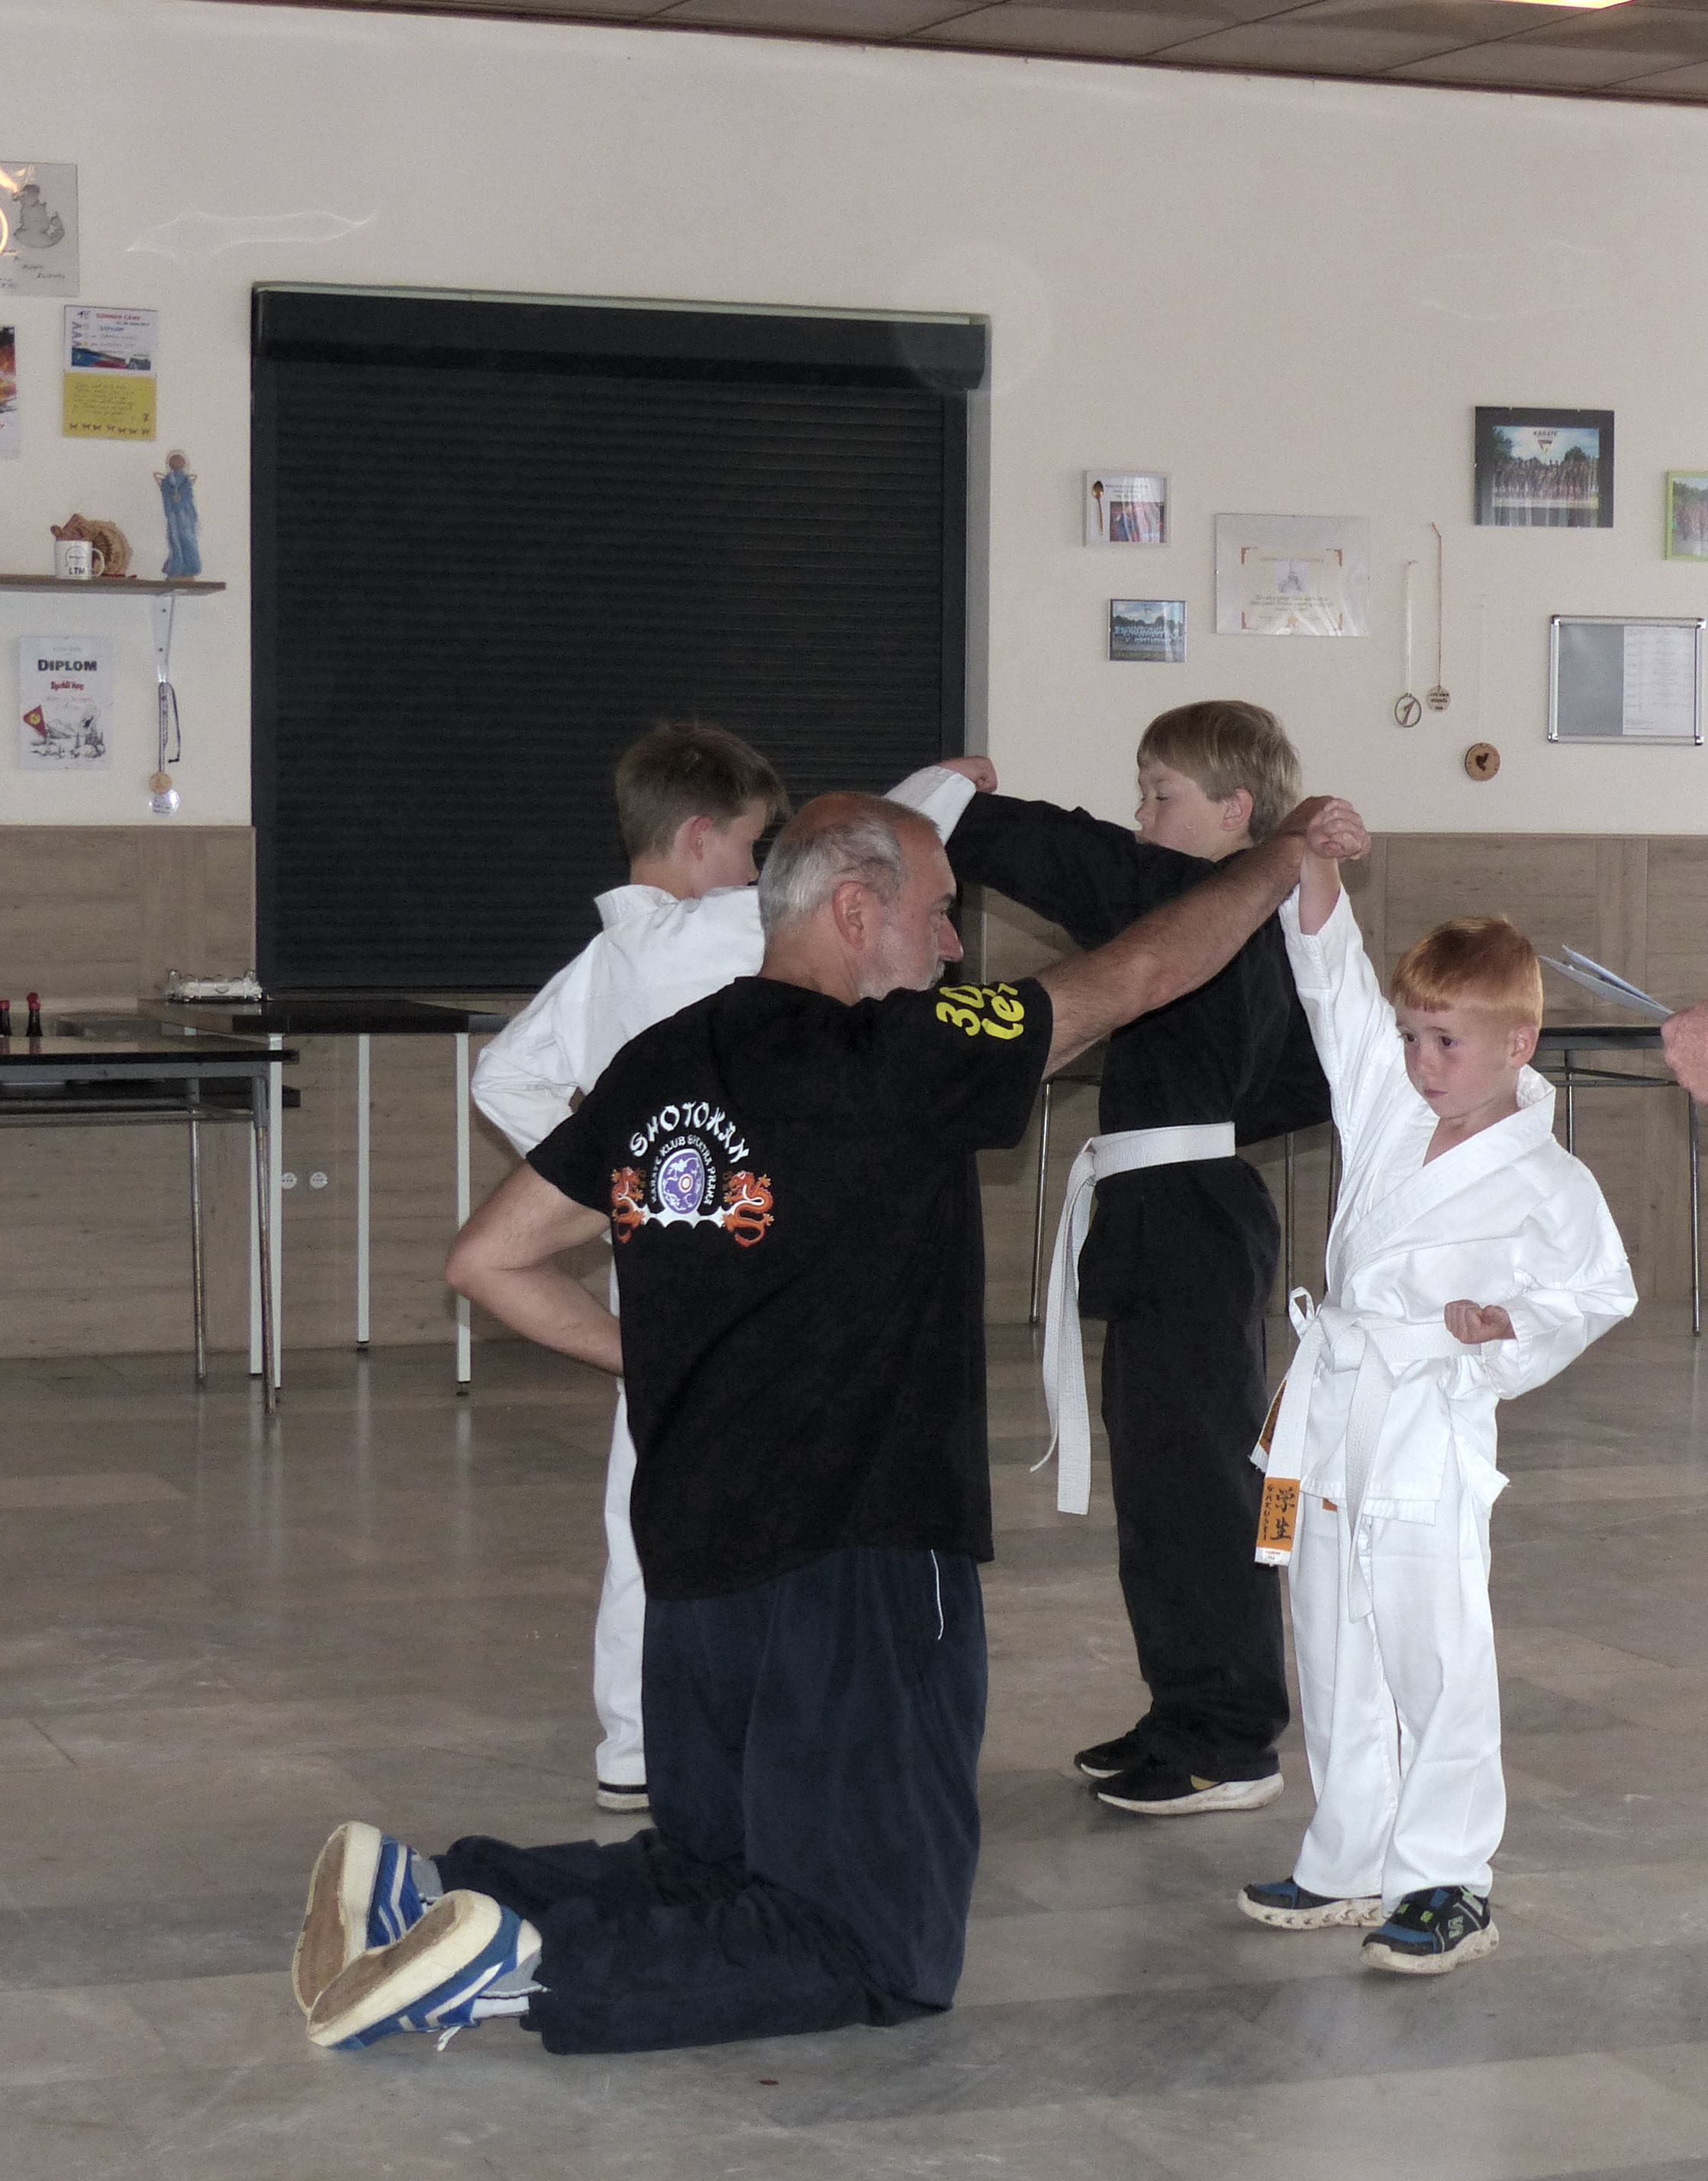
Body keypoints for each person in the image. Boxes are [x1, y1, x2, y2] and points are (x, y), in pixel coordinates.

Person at [292, 785, 1368, 2057]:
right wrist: (1276, 859)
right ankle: (520, 1968)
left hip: (696, 1563)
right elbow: (1136, 976)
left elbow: (488, 1258)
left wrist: (674, 1362)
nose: (954, 946)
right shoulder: (904, 1051)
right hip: (860, 1556)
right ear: (855, 911)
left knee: (716, 1868)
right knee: (875, 1947)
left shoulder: (667, 1058)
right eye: (939, 913)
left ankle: (435, 1890)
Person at [469, 723, 972, 1812]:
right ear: (700, 839)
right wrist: (944, 783)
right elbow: (857, 864)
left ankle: (633, 1742)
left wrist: (613, 1186)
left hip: (663, 1261)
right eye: (751, 847)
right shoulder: (707, 929)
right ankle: (719, 1726)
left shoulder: (604, 959)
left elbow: (503, 1076)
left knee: (642, 1501)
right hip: (747, 1260)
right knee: (747, 1503)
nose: (758, 871)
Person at [904, 703, 1332, 1819]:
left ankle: (1227, 1738)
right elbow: (1301, 1081)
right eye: (1140, 795)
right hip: (1181, 1207)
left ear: (1236, 813)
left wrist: (947, 801)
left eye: (1161, 796)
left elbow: (1064, 853)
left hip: (1185, 1214)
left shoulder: (1190, 900)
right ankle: (1186, 1709)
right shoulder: (1245, 924)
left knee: (1196, 1483)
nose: (1141, 818)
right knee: (1161, 1479)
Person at [1238, 818, 1635, 1974]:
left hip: (1427, 1416)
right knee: (1331, 1637)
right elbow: (1335, 991)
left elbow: (1596, 1291)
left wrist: (1506, 1325)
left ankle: (1449, 1878)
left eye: (1446, 1042)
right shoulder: (1388, 1110)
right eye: (1414, 1036)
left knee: (1433, 1650)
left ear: (1518, 1043)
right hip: (1336, 1407)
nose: (1421, 1062)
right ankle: (1350, 1853)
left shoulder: (1549, 1179)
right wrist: (1317, 866)